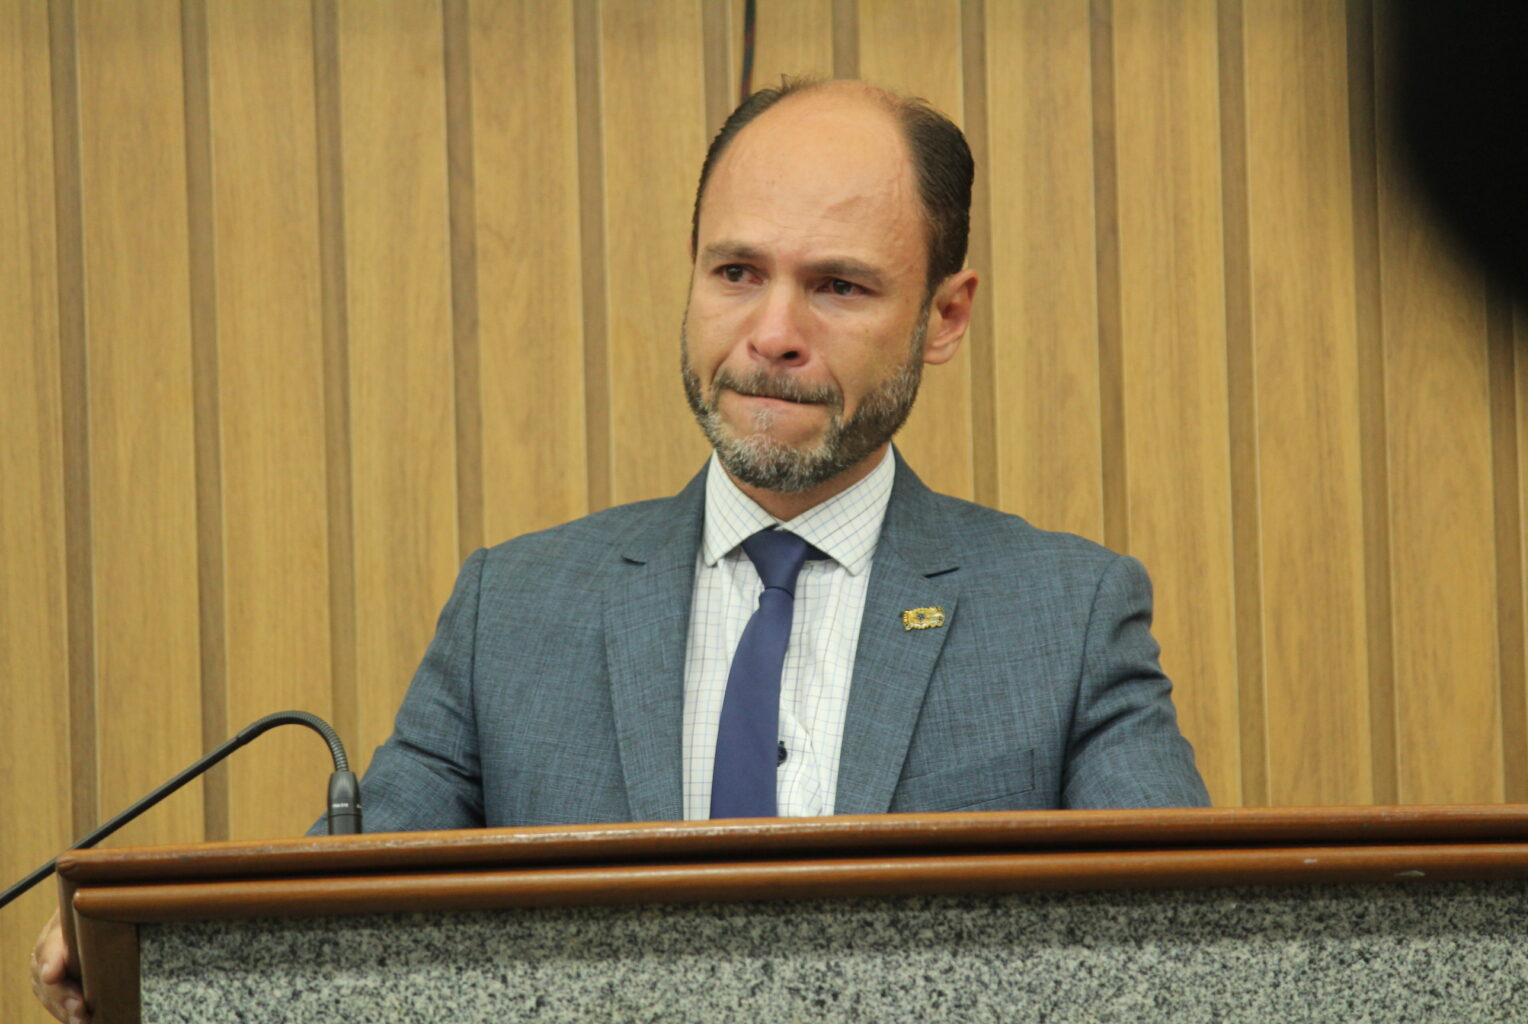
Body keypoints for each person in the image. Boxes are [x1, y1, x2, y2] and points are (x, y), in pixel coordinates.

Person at [32, 78, 1206, 1022]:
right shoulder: (517, 608)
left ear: (945, 317)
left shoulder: (1065, 614)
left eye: (839, 286)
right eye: (736, 272)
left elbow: (1191, 967)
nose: (774, 334)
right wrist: (153, 958)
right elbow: (343, 928)